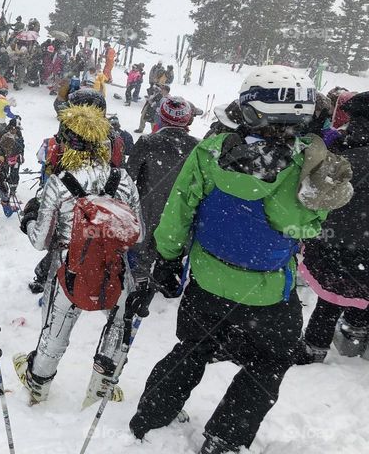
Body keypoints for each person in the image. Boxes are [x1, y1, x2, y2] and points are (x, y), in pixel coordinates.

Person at [129, 67, 352, 454]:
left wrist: (166, 257)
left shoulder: (211, 151)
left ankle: (150, 416)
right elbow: (300, 227)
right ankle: (225, 438)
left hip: (206, 280)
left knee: (192, 348)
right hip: (266, 294)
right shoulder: (305, 168)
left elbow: (178, 211)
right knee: (269, 363)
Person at [14, 104, 141, 404]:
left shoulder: (60, 183)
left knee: (55, 332)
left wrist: (29, 219)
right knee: (117, 327)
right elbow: (139, 233)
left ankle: (39, 383)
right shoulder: (122, 179)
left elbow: (40, 241)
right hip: (115, 269)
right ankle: (102, 388)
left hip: (68, 269)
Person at [297, 90, 369, 362]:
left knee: (329, 301)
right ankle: (354, 338)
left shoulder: (337, 153)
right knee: (362, 297)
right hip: (362, 246)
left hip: (335, 239)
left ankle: (314, 349)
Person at [125, 97, 198, 288]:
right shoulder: (197, 147)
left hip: (147, 206)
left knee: (143, 244)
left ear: (161, 118)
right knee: (170, 244)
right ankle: (163, 275)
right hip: (179, 209)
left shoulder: (148, 142)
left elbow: (128, 176)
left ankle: (140, 278)